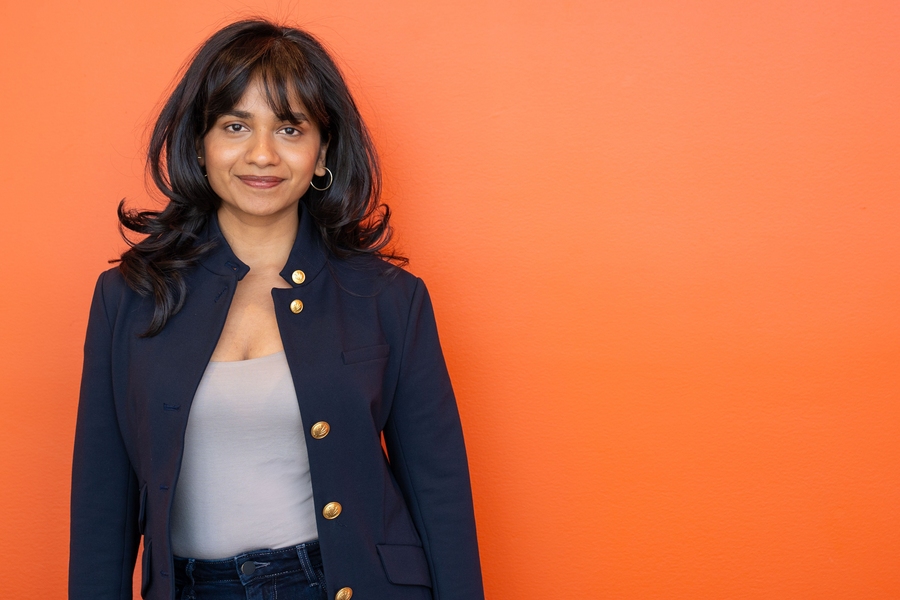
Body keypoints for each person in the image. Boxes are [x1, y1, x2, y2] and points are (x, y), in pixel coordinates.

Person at [69, 19, 483, 600]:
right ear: (199, 143)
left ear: (321, 153)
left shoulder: (390, 298)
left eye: (290, 128)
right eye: (235, 125)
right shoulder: (127, 298)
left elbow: (440, 494)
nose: (261, 154)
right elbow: (100, 505)